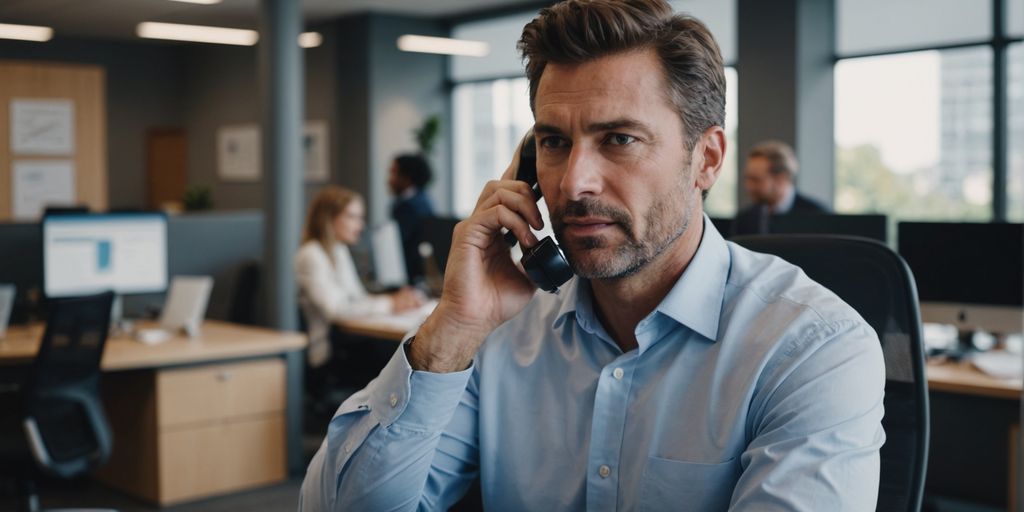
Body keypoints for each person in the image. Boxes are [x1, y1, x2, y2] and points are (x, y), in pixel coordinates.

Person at [300, 1, 884, 510]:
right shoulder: (500, 334)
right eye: (554, 142)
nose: (574, 182)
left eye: (619, 139)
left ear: (705, 159)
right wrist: (453, 330)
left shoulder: (811, 349)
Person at [295, 186, 425, 369]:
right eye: (352, 217)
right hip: (328, 350)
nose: (360, 225)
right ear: (329, 218)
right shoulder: (311, 255)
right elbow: (335, 310)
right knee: (403, 355)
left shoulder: (338, 250)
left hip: (345, 342)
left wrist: (396, 300)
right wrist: (390, 304)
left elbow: (357, 297)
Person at [732, 140, 829, 235]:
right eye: (747, 178)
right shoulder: (744, 220)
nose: (748, 186)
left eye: (756, 179)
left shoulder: (818, 216)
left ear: (781, 179)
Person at [389, 154, 435, 283]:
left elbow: (398, 246)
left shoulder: (407, 207)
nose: (389, 180)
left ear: (406, 177)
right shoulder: (424, 200)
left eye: (393, 173)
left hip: (410, 278)